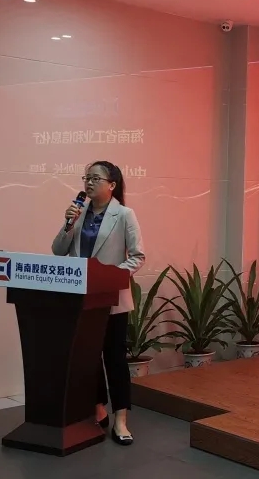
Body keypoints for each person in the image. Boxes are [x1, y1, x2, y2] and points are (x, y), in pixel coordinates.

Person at [52, 161, 145, 446]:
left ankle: (121, 420)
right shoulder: (78, 213)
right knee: (87, 358)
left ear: (112, 185)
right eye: (87, 178)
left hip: (111, 300)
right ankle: (98, 409)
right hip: (82, 300)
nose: (89, 183)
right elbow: (58, 251)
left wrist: (111, 277)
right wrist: (68, 224)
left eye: (95, 178)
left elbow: (137, 256)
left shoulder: (124, 214)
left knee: (114, 360)